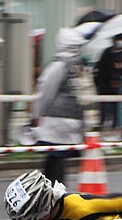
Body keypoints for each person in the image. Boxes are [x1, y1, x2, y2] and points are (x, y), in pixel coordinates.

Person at [30, 27, 86, 186]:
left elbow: (44, 91)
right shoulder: (78, 66)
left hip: (56, 119)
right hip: (73, 119)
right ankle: (51, 188)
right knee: (57, 157)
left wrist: (35, 115)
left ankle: (53, 190)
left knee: (55, 156)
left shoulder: (59, 65)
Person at [94, 33, 122, 134]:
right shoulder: (107, 53)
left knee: (116, 105)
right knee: (104, 104)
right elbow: (102, 68)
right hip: (105, 83)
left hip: (117, 84)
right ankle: (103, 122)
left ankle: (115, 123)